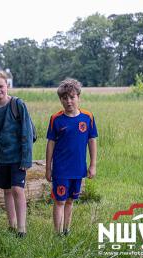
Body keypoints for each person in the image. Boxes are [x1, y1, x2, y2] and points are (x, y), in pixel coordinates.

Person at [0, 72, 33, 238]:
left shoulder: (17, 104)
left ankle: (22, 229)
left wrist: (26, 158)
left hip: (18, 157)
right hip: (2, 158)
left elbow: (27, 132)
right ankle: (12, 225)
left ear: (7, 86)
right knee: (7, 191)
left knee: (18, 189)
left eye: (1, 86)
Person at [45, 78, 98, 236]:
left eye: (72, 97)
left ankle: (67, 230)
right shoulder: (56, 119)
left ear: (78, 97)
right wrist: (48, 168)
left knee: (70, 200)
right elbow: (50, 144)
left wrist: (93, 165)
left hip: (78, 168)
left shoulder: (88, 117)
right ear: (61, 100)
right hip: (61, 169)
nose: (68, 101)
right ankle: (57, 234)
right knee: (60, 200)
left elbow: (92, 141)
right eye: (64, 98)